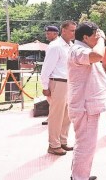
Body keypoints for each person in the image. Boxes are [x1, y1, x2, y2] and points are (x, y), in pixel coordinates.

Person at [67, 21, 106, 180]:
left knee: (87, 145)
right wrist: (102, 40)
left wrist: (98, 40)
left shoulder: (84, 48)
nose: (97, 38)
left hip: (88, 106)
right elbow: (98, 55)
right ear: (85, 37)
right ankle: (78, 178)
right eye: (95, 36)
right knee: (85, 145)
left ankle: (81, 174)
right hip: (84, 107)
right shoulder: (77, 50)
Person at [40, 21, 77, 156]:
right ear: (63, 31)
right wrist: (45, 86)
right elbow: (46, 69)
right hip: (58, 82)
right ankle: (53, 145)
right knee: (56, 115)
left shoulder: (71, 46)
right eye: (71, 30)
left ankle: (62, 141)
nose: (74, 33)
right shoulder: (55, 46)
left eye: (75, 30)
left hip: (69, 83)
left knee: (67, 114)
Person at [42, 25, 59, 126]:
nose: (46, 35)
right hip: (57, 79)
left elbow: (47, 67)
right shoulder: (60, 44)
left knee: (53, 102)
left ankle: (52, 119)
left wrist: (44, 85)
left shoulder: (54, 46)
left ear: (55, 34)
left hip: (54, 79)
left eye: (48, 33)